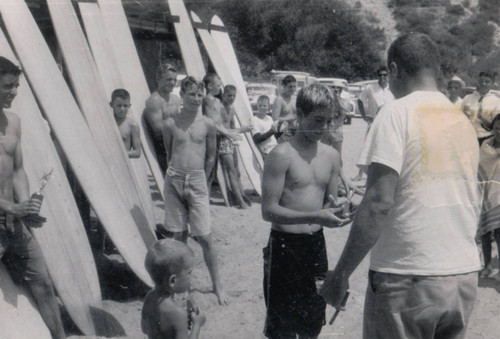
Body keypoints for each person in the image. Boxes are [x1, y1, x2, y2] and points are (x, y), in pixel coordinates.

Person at [321, 33, 482, 339]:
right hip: (461, 275)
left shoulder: (396, 112)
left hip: (408, 276)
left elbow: (379, 202)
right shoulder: (461, 120)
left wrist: (341, 274)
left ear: (394, 70)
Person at [261, 83, 350, 339]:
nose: (324, 129)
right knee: (283, 328)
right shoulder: (281, 155)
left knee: (312, 323)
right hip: (285, 248)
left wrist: (339, 210)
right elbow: (268, 211)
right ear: (299, 115)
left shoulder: (332, 156)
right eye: (318, 120)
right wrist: (315, 216)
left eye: (329, 122)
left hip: (315, 247)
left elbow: (328, 204)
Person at [0, 56, 65, 338]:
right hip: (6, 212)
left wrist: (25, 206)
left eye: (16, 86)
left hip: (13, 223)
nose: (14, 92)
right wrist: (12, 207)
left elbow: (18, 170)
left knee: (43, 284)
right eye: (7, 86)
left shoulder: (13, 122)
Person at [162, 76, 228, 305]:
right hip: (174, 178)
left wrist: (205, 183)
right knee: (178, 236)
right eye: (191, 94)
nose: (196, 99)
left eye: (200, 95)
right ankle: (181, 286)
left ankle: (217, 285)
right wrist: (174, 175)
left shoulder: (208, 124)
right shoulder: (170, 123)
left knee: (205, 237)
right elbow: (168, 154)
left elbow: (211, 157)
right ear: (182, 95)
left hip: (198, 179)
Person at [142, 238, 206, 339]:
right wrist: (197, 325)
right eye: (189, 273)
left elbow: (144, 329)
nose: (192, 276)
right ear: (172, 281)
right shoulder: (179, 314)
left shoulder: (149, 297)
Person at [352, 66, 394, 181]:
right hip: (374, 123)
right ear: (377, 76)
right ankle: (360, 174)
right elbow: (360, 100)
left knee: (387, 149)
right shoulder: (370, 88)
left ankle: (383, 177)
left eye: (385, 75)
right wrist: (365, 117)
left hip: (389, 125)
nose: (382, 77)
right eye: (380, 75)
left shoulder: (393, 89)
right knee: (368, 148)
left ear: (388, 76)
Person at [144, 63, 181, 174]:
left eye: (175, 80)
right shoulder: (155, 100)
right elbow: (158, 130)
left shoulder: (176, 99)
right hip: (165, 148)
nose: (173, 83)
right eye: (169, 79)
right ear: (158, 79)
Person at [219, 85, 252, 209]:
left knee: (237, 171)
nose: (232, 98)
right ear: (224, 95)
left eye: (234, 96)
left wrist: (238, 133)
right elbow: (222, 129)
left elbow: (232, 127)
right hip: (223, 141)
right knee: (231, 171)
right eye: (229, 95)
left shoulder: (231, 109)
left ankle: (240, 195)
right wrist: (241, 130)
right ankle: (240, 201)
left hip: (231, 140)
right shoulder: (220, 108)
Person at [477, 114, 500, 280]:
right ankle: (487, 265)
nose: (499, 131)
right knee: (485, 231)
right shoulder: (485, 145)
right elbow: (480, 168)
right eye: (497, 128)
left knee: (499, 233)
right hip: (486, 193)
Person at [463, 71, 500, 145]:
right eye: (481, 81)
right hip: (468, 137)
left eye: (487, 82)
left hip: (487, 138)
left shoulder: (496, 101)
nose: (483, 84)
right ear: (478, 81)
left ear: (492, 83)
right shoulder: (467, 98)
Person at [321, 79, 353, 156]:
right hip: (326, 131)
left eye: (338, 88)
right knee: (324, 155)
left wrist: (337, 99)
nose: (336, 90)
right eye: (334, 88)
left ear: (341, 89)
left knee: (337, 155)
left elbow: (344, 111)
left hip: (337, 131)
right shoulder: (327, 100)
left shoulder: (345, 101)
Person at [110, 89, 141, 158]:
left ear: (129, 106)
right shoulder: (107, 122)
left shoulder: (132, 125)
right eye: (119, 105)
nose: (122, 109)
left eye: (125, 106)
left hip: (122, 163)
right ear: (111, 105)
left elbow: (137, 152)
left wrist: (118, 155)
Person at [272, 75, 298, 143]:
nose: (292, 89)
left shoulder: (296, 99)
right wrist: (291, 118)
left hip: (296, 132)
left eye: (294, 86)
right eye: (290, 87)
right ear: (284, 86)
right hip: (283, 133)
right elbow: (275, 118)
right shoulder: (279, 99)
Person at [251, 95, 277, 161]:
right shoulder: (255, 120)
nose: (262, 107)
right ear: (257, 106)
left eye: (264, 106)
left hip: (275, 147)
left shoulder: (270, 118)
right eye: (260, 105)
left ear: (268, 107)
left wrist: (281, 131)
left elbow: (273, 136)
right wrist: (272, 131)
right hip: (266, 151)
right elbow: (257, 139)